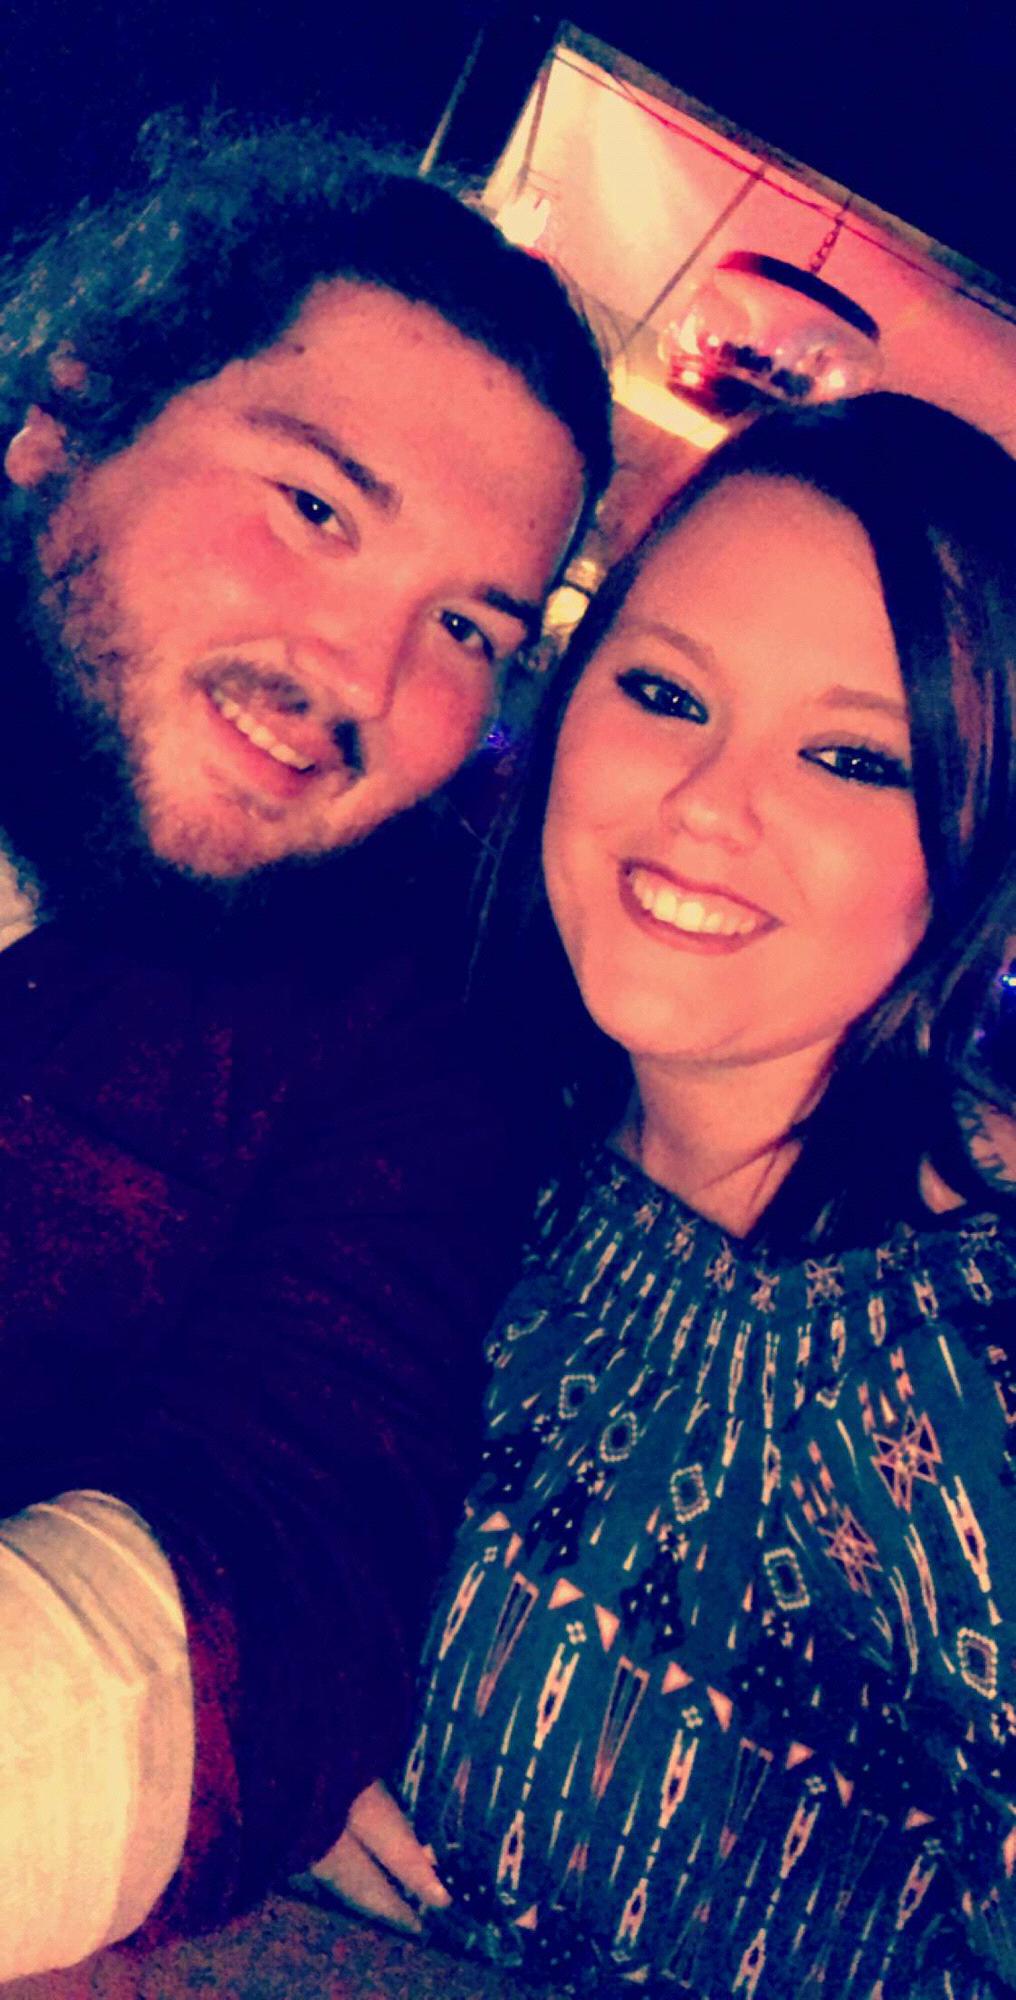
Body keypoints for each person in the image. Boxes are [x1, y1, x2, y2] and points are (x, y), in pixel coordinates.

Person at [0, 114, 613, 1978]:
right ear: (64, 420)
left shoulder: (385, 1023)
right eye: (318, 509)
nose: (359, 674)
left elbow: (288, 1552)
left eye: (469, 626)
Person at [317, 394, 1016, 1997]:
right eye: (666, 692)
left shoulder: (974, 1365)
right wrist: (254, 1729)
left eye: (852, 758)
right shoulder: (458, 1117)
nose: (707, 801)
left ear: (977, 840)